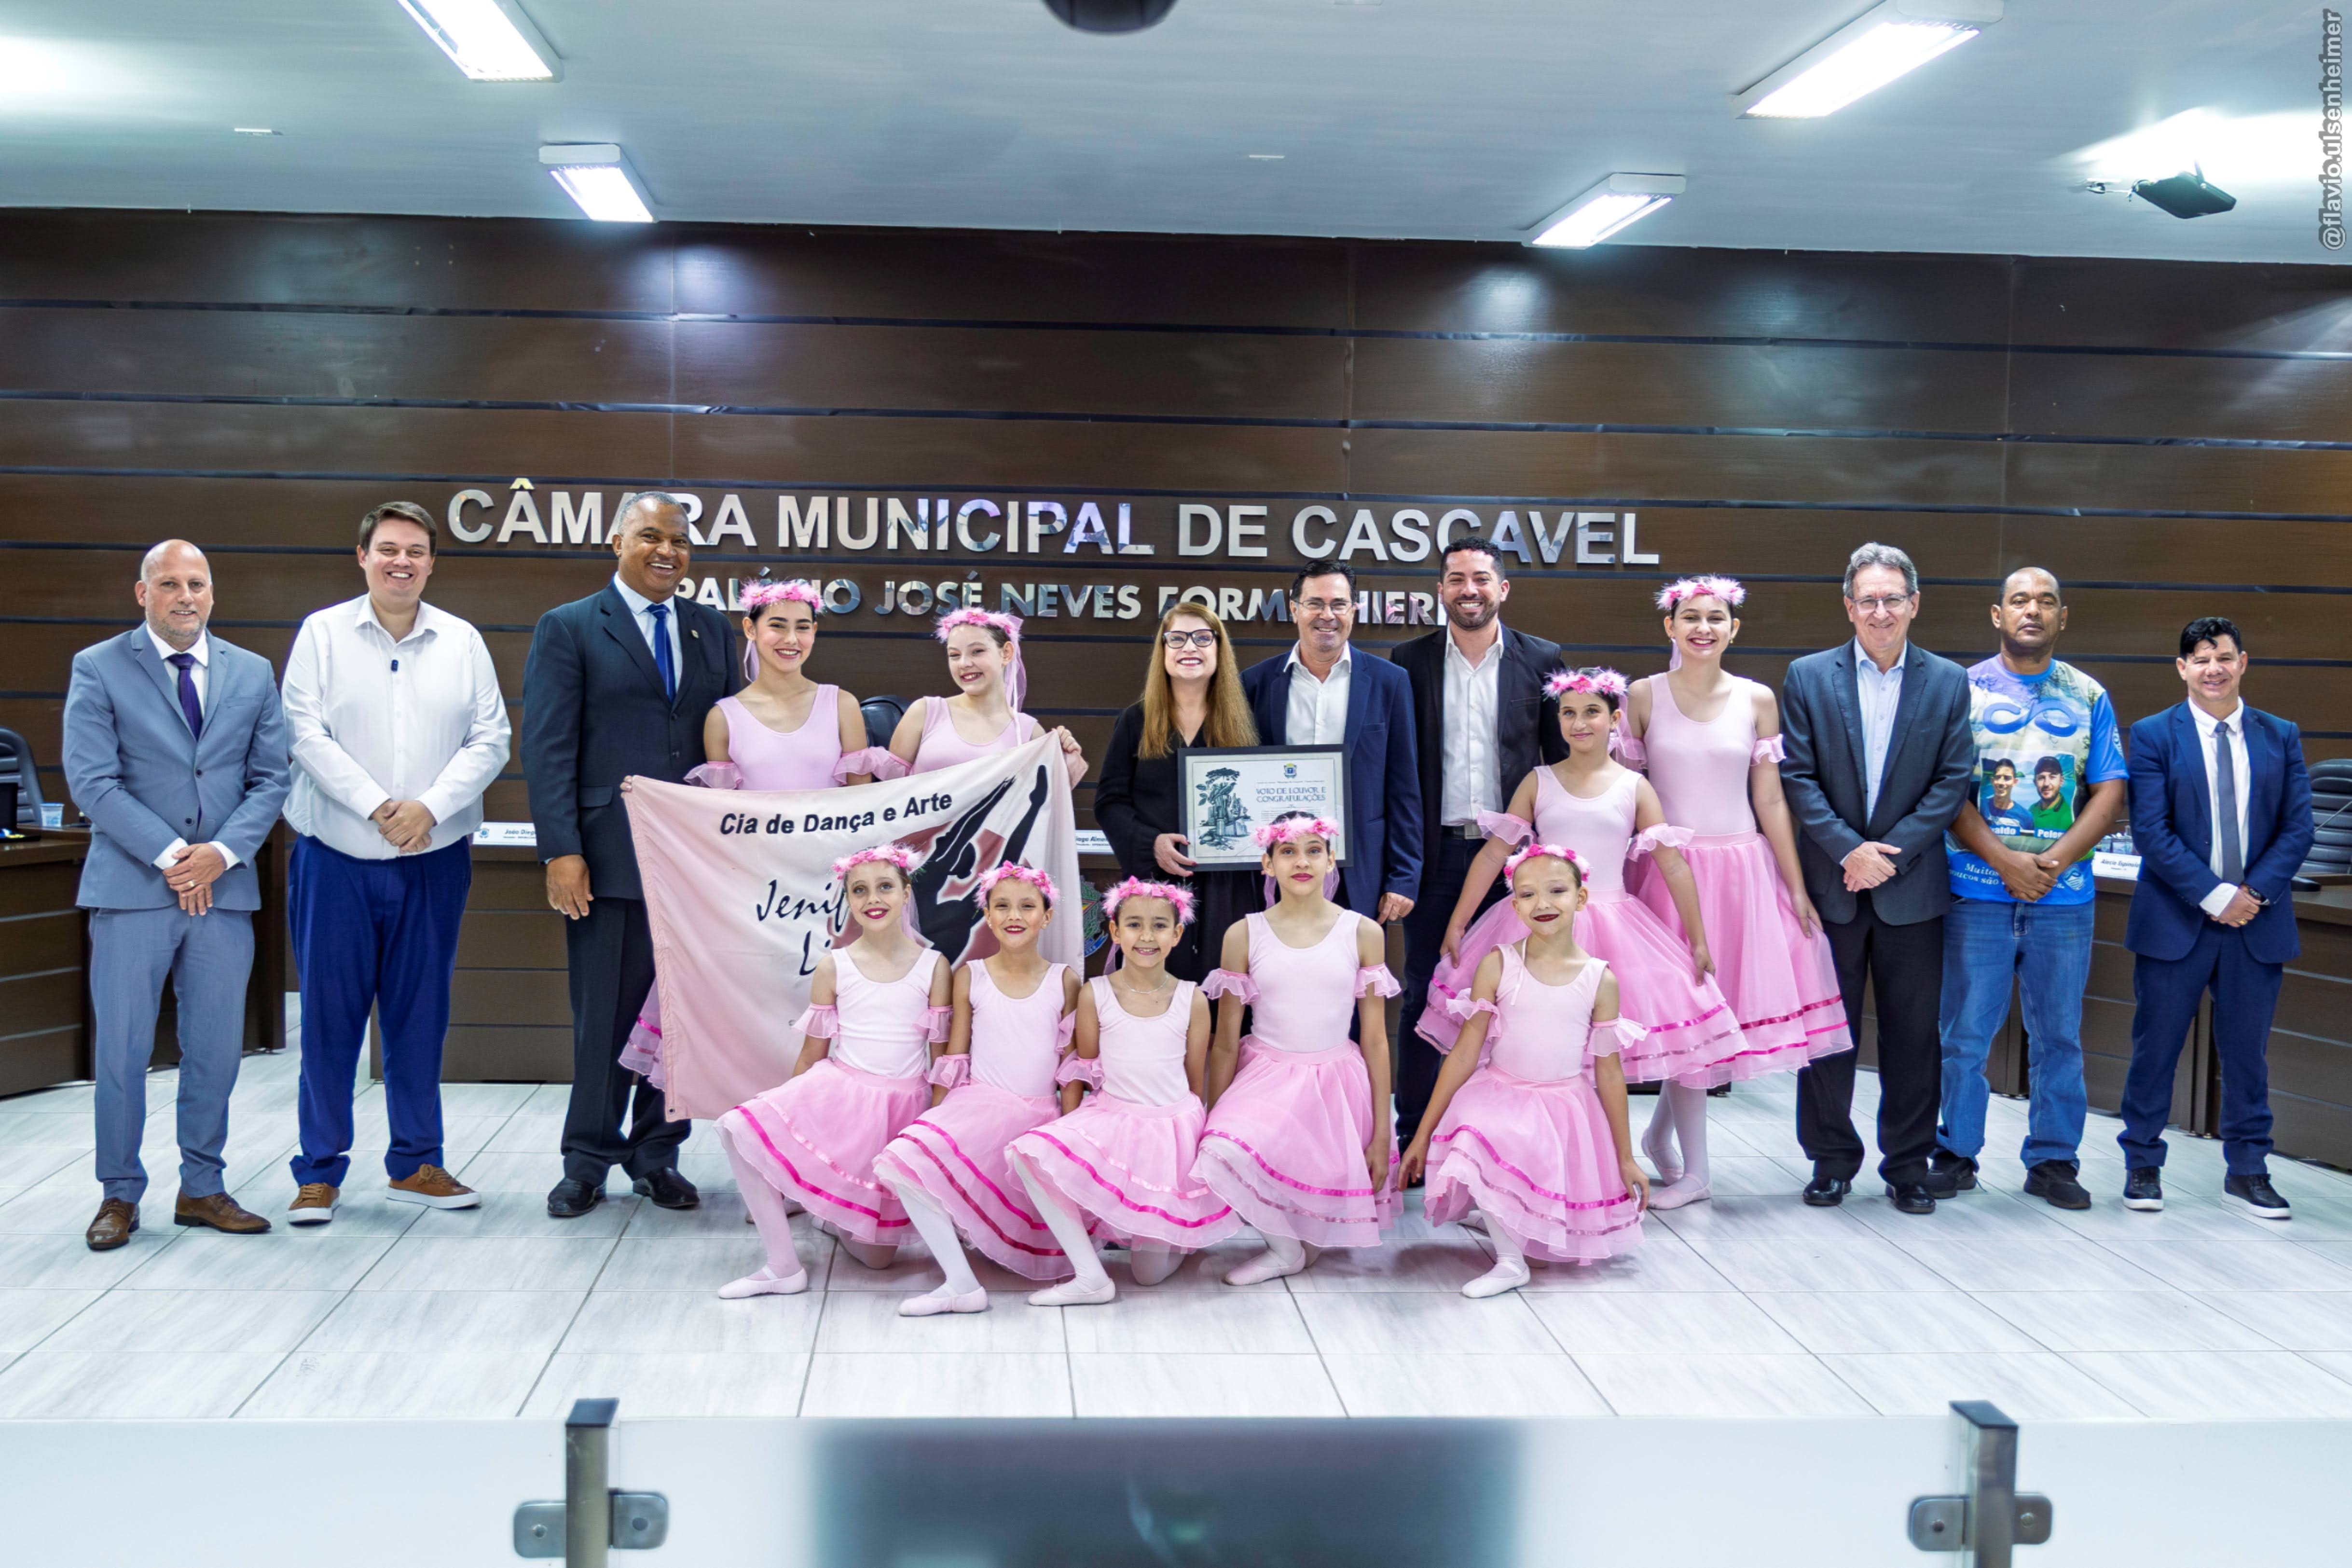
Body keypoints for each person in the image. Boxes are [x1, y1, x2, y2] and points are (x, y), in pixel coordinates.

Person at [1428, 669, 1747, 1208]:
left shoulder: (1633, 786)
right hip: (1539, 923)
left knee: (1628, 1052)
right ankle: (1504, 1173)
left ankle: (1673, 1171)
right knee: (1527, 1055)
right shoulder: (1539, 781)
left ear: (1615, 720)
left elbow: (1671, 863)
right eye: (1569, 713)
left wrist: (1696, 937)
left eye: (1592, 712)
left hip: (1617, 925)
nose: (1580, 722)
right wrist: (1460, 920)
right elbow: (1492, 853)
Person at [278, 502, 509, 1224]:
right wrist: (381, 804)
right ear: (362, 557)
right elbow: (303, 732)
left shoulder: (463, 640)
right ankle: (318, 1171)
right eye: (387, 549)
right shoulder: (322, 633)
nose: (400, 561)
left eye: (415, 551)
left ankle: (415, 1162)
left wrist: (428, 808)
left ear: (432, 562)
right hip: (336, 858)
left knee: (420, 1016)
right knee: (329, 1019)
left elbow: (491, 738)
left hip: (433, 858)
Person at [62, 540, 290, 1251]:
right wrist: (172, 857)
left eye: (197, 583)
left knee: (216, 1049)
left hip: (223, 891)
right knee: (124, 1051)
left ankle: (203, 1187)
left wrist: (218, 855)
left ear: (213, 594)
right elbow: (93, 781)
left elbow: (271, 778)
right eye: (169, 583)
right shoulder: (98, 667)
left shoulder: (252, 673)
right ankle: (119, 1194)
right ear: (143, 594)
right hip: (134, 890)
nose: (185, 595)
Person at [521, 492, 739, 1220]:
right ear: (617, 540)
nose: (666, 551)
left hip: (691, 867)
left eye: (679, 540)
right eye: (650, 536)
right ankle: (586, 1158)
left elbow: (726, 739)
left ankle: (657, 1153)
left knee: (672, 1016)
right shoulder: (570, 626)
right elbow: (548, 747)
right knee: (603, 1020)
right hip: (606, 858)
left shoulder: (709, 629)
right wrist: (561, 850)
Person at [1621, 577, 1851, 1200]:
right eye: (1689, 616)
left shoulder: (1755, 699)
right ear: (1668, 626)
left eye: (1714, 617)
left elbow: (1770, 797)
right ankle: (1689, 1167)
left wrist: (1793, 883)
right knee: (1686, 1018)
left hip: (1741, 874)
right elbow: (1625, 795)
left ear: (1732, 628)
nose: (1702, 627)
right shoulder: (1640, 697)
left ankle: (1672, 1152)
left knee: (1711, 1021)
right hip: (1668, 877)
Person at [617, 577, 875, 1090]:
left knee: (833, 1020)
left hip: (830, 894)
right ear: (750, 629)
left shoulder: (840, 704)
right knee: (764, 1023)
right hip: (762, 899)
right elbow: (721, 822)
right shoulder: (725, 718)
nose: (791, 638)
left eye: (803, 627)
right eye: (777, 625)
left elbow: (863, 811)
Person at [1780, 543, 1974, 1215]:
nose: (1880, 610)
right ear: (1848, 606)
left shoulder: (1949, 682)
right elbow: (1796, 778)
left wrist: (1884, 855)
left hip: (1911, 889)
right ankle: (1830, 1160)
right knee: (1828, 1035)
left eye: (1892, 597)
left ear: (1913, 604)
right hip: (1833, 889)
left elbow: (1952, 782)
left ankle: (1906, 1164)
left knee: (1913, 1035)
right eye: (1867, 598)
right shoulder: (1806, 676)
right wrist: (1846, 851)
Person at [1936, 569, 2127, 1210]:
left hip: (2062, 898)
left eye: (2045, 601)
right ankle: (1955, 1152)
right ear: (1997, 614)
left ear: (2061, 616)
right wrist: (2003, 861)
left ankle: (2052, 1160)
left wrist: (2046, 862)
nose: (2032, 610)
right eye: (2019, 600)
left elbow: (2107, 792)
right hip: (1976, 890)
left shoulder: (2087, 694)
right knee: (1964, 1033)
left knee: (2058, 1037)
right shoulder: (1959, 691)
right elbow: (1946, 791)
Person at [2118, 616, 2313, 1221]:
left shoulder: (2280, 735)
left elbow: (2297, 827)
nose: (2213, 669)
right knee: (2156, 1049)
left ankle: (2249, 1170)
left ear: (2243, 662)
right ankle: (2143, 1165)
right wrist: (2214, 895)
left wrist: (2249, 894)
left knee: (2248, 1054)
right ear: (2182, 669)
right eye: (2200, 659)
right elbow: (2152, 830)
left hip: (2257, 921)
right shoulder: (2153, 735)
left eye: (2223, 657)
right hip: (2176, 920)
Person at [1403, 844, 1648, 1297]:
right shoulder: (1498, 964)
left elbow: (1609, 1073)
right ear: (1514, 906)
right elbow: (1463, 1052)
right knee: (1475, 1137)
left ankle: (1507, 1220)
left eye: (1556, 891)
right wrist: (1422, 1133)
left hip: (1563, 1103)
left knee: (1535, 1164)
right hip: (1499, 1091)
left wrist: (1625, 1156)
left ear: (1581, 897)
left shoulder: (1600, 979)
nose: (1543, 904)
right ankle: (1511, 1262)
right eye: (1528, 894)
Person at [1390, 539, 1568, 1147]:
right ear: (1440, 590)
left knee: (1516, 993)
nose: (1470, 589)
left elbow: (1559, 763)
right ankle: (1415, 1128)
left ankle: (1498, 1136)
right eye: (1457, 579)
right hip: (1435, 854)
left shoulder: (1543, 659)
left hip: (1515, 862)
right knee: (1426, 987)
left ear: (1503, 589)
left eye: (1482, 579)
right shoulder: (1406, 662)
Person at [714, 846, 952, 1295]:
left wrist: (936, 1123)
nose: (872, 898)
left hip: (901, 1106)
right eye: (859, 890)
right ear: (848, 900)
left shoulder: (932, 966)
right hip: (841, 1090)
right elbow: (812, 1053)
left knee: (878, 1260)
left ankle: (824, 1216)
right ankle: (783, 1266)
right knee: (734, 1128)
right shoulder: (834, 965)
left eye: (885, 887)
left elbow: (939, 1059)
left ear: (906, 894)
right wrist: (786, 1121)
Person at [1008, 879, 1238, 1306]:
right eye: (1133, 925)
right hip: (1114, 1117)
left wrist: (1193, 1139)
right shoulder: (1096, 993)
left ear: (1176, 934)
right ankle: (1090, 1275)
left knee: (1148, 1276)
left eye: (1158, 926)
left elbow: (1193, 1078)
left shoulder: (1192, 999)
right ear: (1115, 932)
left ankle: (1178, 1241)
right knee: (1030, 1154)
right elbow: (1083, 1066)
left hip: (1169, 1130)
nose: (1146, 936)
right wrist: (1069, 1125)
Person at [1196, 815, 1400, 1284]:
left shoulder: (1363, 932)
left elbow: (1374, 1038)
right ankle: (1285, 1250)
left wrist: (1382, 1134)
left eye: (1314, 849)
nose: (1302, 860)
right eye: (1287, 851)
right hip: (1265, 1073)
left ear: (1331, 859)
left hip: (1335, 1080)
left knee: (1314, 1193)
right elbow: (1226, 1039)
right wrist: (1214, 1109)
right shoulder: (1244, 934)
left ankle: (1295, 1245)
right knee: (1223, 1149)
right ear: (1267, 864)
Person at [873, 863, 1082, 1315]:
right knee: (902, 1159)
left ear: (1046, 916)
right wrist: (936, 1116)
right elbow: (954, 1056)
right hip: (979, 1102)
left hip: (1038, 1112)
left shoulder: (1064, 980)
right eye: (1002, 905)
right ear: (986, 915)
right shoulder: (971, 975)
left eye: (1028, 906)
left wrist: (1067, 1131)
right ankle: (960, 1283)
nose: (1014, 915)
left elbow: (1070, 1067)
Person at [1239, 561, 1424, 925]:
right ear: (1294, 609)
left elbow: (1405, 787)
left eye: (1339, 604)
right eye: (1315, 604)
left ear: (1353, 610)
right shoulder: (1255, 683)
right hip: (1277, 869)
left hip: (1361, 871)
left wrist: (1404, 876)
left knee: (1357, 978)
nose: (1327, 615)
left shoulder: (1391, 682)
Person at [1092, 602, 1265, 981]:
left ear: (1219, 649)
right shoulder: (1135, 721)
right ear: (1163, 651)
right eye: (1178, 639)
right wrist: (1149, 842)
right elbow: (1109, 802)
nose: (1190, 647)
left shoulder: (1247, 722)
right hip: (1156, 885)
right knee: (1154, 992)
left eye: (1203, 638)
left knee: (1223, 991)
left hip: (1227, 888)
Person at [880, 607, 1087, 785]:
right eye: (954, 655)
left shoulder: (1029, 732)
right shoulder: (925, 713)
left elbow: (1042, 802)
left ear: (1006, 653)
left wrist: (1065, 758)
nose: (964, 664)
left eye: (977, 651)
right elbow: (889, 795)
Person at [1981, 761, 2037, 835]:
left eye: (2007, 778)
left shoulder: (2026, 817)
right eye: (1998, 777)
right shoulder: (1981, 807)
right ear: (1992, 781)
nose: (2001, 783)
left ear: (2015, 782)